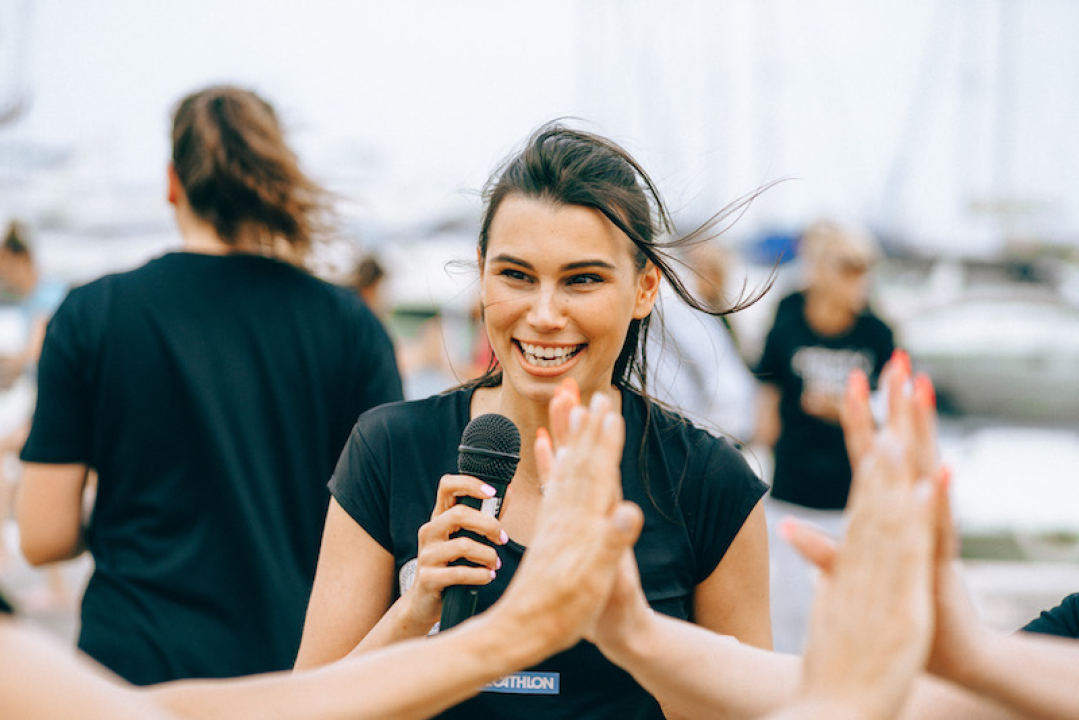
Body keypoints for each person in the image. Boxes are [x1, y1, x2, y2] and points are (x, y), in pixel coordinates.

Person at [294, 123, 772, 718]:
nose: (544, 314)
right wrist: (413, 612)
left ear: (645, 288)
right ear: (482, 271)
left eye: (583, 280)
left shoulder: (710, 481)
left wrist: (636, 636)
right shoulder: (390, 450)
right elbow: (304, 707)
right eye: (516, 275)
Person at [15, 85, 403, 685]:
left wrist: (132, 515)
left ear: (173, 183)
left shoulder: (92, 313)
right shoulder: (351, 326)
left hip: (133, 675)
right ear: (272, 177)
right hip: (295, 677)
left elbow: (42, 536)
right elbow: (390, 527)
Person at [0, 386, 645, 719]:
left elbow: (44, 534)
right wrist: (486, 630)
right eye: (516, 275)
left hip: (148, 653)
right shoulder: (383, 426)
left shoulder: (705, 473)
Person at [753, 218, 896, 652]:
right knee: (789, 612)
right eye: (848, 267)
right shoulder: (789, 318)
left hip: (851, 493)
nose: (859, 279)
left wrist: (847, 409)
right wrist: (760, 448)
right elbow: (768, 388)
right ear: (821, 269)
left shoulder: (877, 333)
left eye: (864, 268)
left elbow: (890, 409)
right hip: (792, 486)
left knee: (850, 608)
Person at [648, 241, 757, 441]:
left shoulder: (716, 317)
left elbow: (724, 383)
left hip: (719, 431)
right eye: (698, 268)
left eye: (709, 270)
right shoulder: (689, 314)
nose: (703, 277)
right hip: (708, 429)